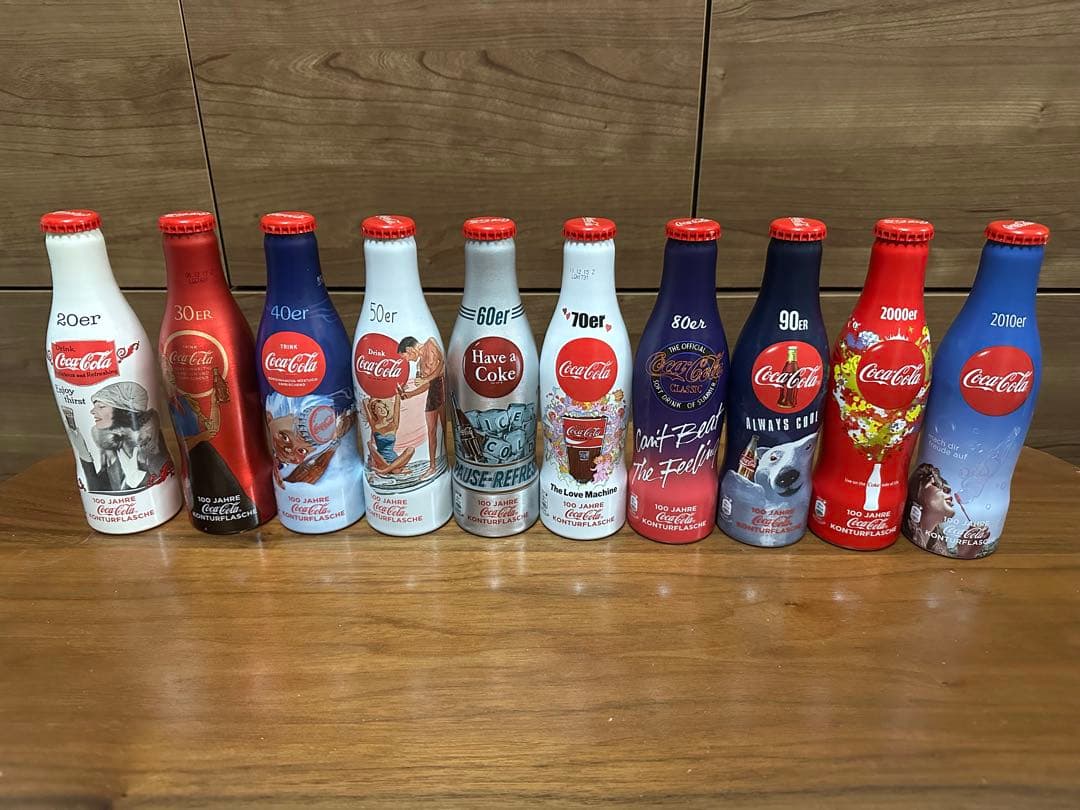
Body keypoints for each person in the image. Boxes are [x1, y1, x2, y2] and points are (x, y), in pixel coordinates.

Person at [66, 380, 173, 493]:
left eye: (101, 406)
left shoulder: (151, 446)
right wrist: (83, 453)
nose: (92, 411)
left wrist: (139, 479)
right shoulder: (114, 449)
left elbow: (164, 479)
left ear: (123, 411)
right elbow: (99, 491)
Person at [396, 335, 445, 478]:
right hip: (432, 393)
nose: (407, 360)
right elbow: (426, 385)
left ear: (409, 349)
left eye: (405, 357)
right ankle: (432, 466)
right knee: (431, 431)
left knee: (443, 425)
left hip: (442, 387)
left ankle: (442, 462)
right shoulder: (419, 365)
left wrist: (426, 379)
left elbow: (442, 363)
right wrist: (409, 394)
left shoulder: (430, 343)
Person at [906, 462, 957, 554]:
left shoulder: (940, 544)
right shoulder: (909, 532)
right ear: (919, 491)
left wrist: (966, 550)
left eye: (948, 491)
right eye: (938, 485)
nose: (950, 495)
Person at [361, 394, 415, 475]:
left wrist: (398, 395)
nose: (382, 410)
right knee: (369, 444)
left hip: (395, 460)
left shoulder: (393, 425)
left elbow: (397, 407)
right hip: (380, 459)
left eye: (384, 407)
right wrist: (367, 401)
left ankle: (386, 470)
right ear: (375, 412)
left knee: (411, 449)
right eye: (379, 408)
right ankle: (392, 469)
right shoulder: (374, 426)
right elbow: (365, 405)